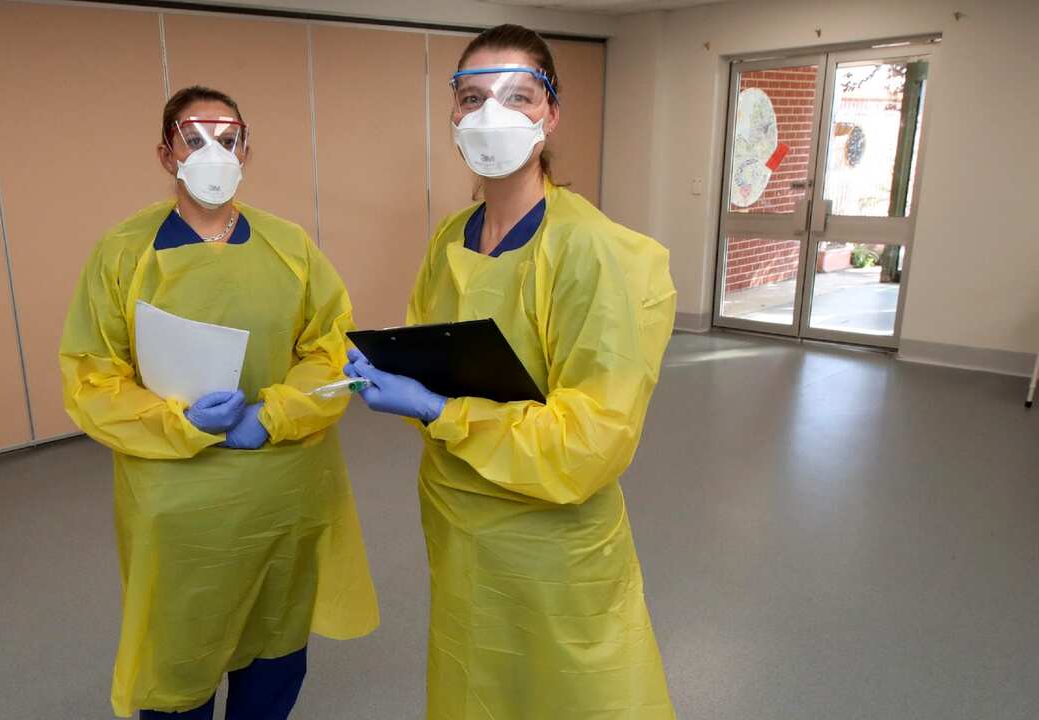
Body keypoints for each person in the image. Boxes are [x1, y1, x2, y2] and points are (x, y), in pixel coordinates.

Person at [345, 24, 677, 719]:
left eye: (517, 96)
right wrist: (392, 369)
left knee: (571, 696)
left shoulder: (588, 250)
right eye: (472, 98)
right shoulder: (451, 237)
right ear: (453, 114)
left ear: (550, 115)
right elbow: (434, 351)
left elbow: (590, 443)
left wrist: (441, 411)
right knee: (477, 686)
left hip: (552, 546)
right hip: (460, 526)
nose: (490, 115)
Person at [59, 86, 378, 719]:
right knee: (181, 649)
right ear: (166, 154)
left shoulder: (288, 246)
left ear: (246, 150)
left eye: (228, 139)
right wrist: (175, 422)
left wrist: (276, 414)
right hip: (178, 496)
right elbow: (92, 376)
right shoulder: (124, 254)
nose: (214, 153)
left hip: (281, 485)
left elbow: (329, 346)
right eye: (195, 139)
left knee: (275, 638)